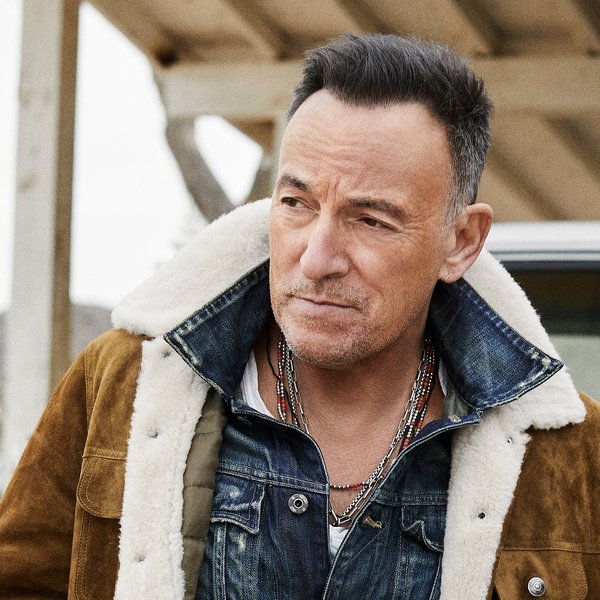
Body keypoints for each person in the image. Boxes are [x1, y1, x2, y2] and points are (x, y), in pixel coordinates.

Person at [0, 33, 598, 600]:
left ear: (461, 242)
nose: (316, 259)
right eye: (296, 203)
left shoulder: (569, 452)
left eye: (371, 220)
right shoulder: (126, 384)